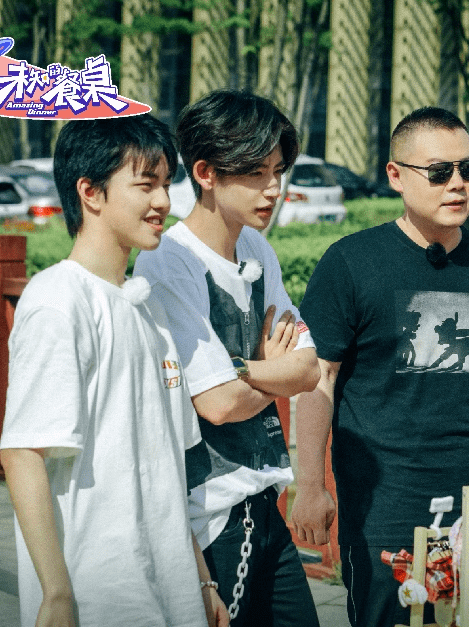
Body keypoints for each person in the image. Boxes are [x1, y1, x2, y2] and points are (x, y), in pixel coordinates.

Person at [291, 106, 469, 627]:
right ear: (396, 176)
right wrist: (311, 486)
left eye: (468, 171)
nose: (457, 185)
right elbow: (320, 378)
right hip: (385, 503)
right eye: (439, 172)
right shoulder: (351, 261)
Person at [0, 116, 226, 626]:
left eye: (166, 184)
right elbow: (22, 452)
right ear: (90, 192)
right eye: (145, 185)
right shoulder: (59, 301)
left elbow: (166, 465)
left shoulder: (146, 306)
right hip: (98, 592)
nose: (163, 203)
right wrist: (56, 594)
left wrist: (201, 581)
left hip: (171, 590)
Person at [133, 90, 320, 626]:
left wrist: (246, 370)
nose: (273, 189)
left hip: (266, 500)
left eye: (278, 171)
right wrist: (266, 368)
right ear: (206, 173)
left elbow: (307, 368)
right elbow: (218, 404)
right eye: (255, 173)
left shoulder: (258, 249)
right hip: (212, 515)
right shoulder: (170, 263)